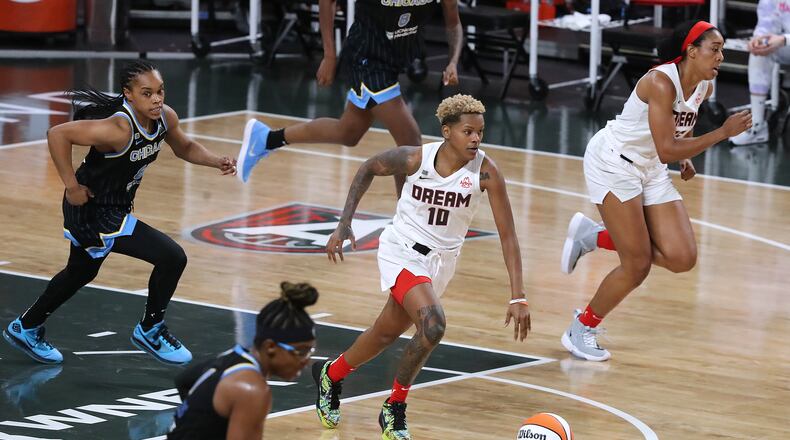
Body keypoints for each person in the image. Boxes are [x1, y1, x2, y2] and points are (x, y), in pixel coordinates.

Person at [314, 94, 531, 440]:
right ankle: (394, 409)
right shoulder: (417, 158)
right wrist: (344, 223)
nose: (476, 139)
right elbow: (369, 166)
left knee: (385, 333)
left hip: (442, 262)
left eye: (480, 132)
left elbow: (509, 237)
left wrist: (518, 296)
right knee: (433, 325)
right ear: (447, 132)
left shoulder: (487, 172)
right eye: (468, 132)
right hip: (401, 250)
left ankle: (331, 374)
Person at [2, 60, 237, 366]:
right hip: (91, 208)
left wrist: (216, 161)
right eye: (147, 93)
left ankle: (26, 326)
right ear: (128, 95)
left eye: (160, 91)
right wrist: (71, 186)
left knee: (81, 272)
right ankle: (150, 329)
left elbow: (185, 147)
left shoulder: (165, 118)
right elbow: (58, 134)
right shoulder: (118, 128)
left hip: (115, 205)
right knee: (172, 256)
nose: (157, 99)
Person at [558, 21, 752, 361]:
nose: (721, 57)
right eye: (715, 49)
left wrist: (685, 157)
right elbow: (666, 147)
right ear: (692, 51)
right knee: (637, 265)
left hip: (651, 166)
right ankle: (581, 328)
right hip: (614, 163)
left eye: (722, 50)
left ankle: (595, 237)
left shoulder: (704, 86)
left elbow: (675, 135)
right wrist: (722, 133)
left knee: (682, 258)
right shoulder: (660, 82)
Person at [236, 0, 464, 196]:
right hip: (366, 58)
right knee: (410, 141)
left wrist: (453, 61)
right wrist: (329, 56)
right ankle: (406, 226)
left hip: (393, 61)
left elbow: (453, 22)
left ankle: (266, 139)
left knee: (348, 133)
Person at [167, 282, 318, 439]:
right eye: (301, 351)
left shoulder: (233, 356)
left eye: (310, 351)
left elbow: (183, 380)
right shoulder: (252, 390)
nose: (306, 360)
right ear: (271, 347)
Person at [729, 0, 790, 145]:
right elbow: (766, 22)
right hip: (785, 43)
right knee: (759, 52)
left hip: (786, 41)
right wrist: (759, 39)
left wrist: (783, 40)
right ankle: (757, 125)